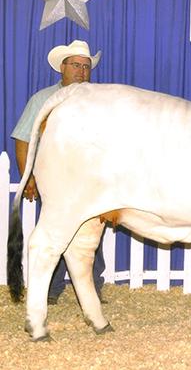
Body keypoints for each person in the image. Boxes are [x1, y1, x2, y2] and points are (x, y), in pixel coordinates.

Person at [11, 39, 106, 304]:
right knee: (56, 230)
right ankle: (52, 289)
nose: (81, 71)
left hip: (91, 177)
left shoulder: (98, 100)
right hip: (56, 178)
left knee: (91, 231)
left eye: (86, 67)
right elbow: (23, 138)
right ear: (62, 68)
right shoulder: (43, 99)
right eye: (75, 65)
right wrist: (27, 175)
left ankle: (92, 287)